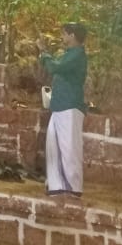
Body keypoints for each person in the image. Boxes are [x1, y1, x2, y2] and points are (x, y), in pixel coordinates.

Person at [37, 22, 88, 197]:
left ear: (72, 35)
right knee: (54, 145)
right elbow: (55, 67)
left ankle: (73, 187)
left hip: (70, 106)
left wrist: (44, 52)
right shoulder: (70, 54)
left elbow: (54, 67)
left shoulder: (77, 55)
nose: (62, 37)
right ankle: (57, 185)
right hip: (60, 105)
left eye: (64, 34)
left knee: (69, 147)